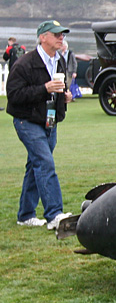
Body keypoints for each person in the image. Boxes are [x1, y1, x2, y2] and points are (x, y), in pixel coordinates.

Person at [6, 20, 74, 229]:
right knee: (45, 163)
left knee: (35, 166)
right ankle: (54, 214)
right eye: (56, 34)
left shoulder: (59, 60)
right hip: (27, 121)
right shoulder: (24, 63)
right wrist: (45, 88)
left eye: (62, 34)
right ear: (43, 37)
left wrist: (65, 95)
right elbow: (14, 95)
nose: (61, 37)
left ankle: (25, 215)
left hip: (50, 120)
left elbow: (57, 90)